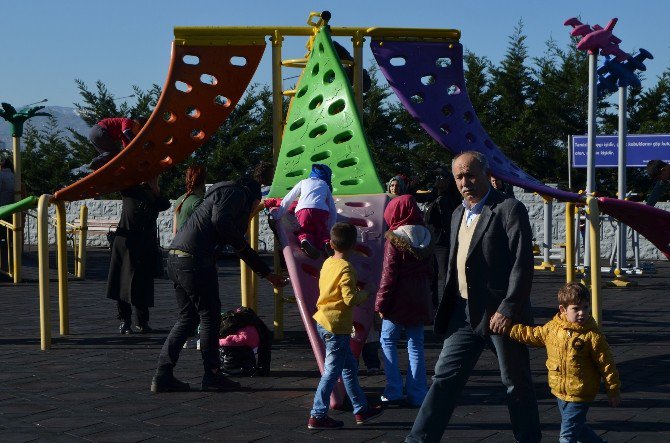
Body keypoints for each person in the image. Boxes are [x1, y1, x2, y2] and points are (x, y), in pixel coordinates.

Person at [406, 151, 541, 443]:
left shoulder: (509, 209)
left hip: (501, 314)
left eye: (470, 174)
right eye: (459, 177)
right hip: (463, 314)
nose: (465, 182)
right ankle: (418, 440)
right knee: (444, 378)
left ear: (485, 173)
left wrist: (509, 308)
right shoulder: (457, 213)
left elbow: (522, 264)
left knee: (515, 382)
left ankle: (528, 439)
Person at [151, 177, 285, 393]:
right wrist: (265, 271)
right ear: (252, 198)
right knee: (209, 317)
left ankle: (163, 374)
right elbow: (222, 223)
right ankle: (212, 374)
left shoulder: (218, 194)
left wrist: (265, 272)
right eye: (253, 207)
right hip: (195, 260)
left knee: (188, 318)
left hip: (176, 258)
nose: (251, 212)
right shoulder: (237, 193)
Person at [505, 282, 621, 443]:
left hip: (580, 393)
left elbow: (606, 364)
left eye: (586, 307)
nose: (582, 313)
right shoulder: (553, 328)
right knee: (578, 429)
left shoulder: (592, 336)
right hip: (560, 391)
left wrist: (613, 390)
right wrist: (509, 329)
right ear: (563, 310)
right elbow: (533, 335)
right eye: (576, 309)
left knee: (567, 436)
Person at [308, 222, 384, 429]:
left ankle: (361, 409)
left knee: (349, 366)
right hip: (337, 326)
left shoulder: (327, 263)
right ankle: (317, 414)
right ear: (354, 246)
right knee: (332, 371)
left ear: (331, 244)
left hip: (323, 320)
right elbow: (350, 299)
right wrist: (368, 290)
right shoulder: (347, 268)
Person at [375, 194, 434, 408]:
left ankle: (393, 390)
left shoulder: (395, 238)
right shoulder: (427, 236)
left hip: (398, 298)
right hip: (420, 297)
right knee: (416, 344)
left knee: (388, 340)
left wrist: (381, 304)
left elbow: (388, 275)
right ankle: (418, 392)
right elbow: (431, 272)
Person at [107, 176, 170, 335]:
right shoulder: (130, 189)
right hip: (126, 243)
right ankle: (125, 320)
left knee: (143, 283)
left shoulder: (153, 194)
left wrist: (155, 187)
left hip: (145, 244)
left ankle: (142, 321)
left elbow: (164, 204)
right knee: (123, 282)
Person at [272, 163, 336, 259]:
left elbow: (288, 198)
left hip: (303, 210)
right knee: (321, 231)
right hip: (321, 211)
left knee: (305, 229)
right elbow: (332, 208)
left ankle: (305, 240)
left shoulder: (303, 182)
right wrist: (330, 227)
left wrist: (278, 215)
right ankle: (326, 243)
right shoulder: (325, 185)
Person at [422, 167, 460, 307]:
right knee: (431, 275)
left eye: (441, 177)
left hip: (444, 241)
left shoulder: (451, 198)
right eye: (436, 178)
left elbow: (449, 218)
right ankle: (433, 305)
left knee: (445, 275)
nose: (438, 180)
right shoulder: (432, 197)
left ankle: (446, 305)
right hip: (431, 240)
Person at [173, 165, 206, 234]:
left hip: (178, 243)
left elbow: (174, 232)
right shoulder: (197, 202)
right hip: (193, 244)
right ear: (203, 181)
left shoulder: (179, 200)